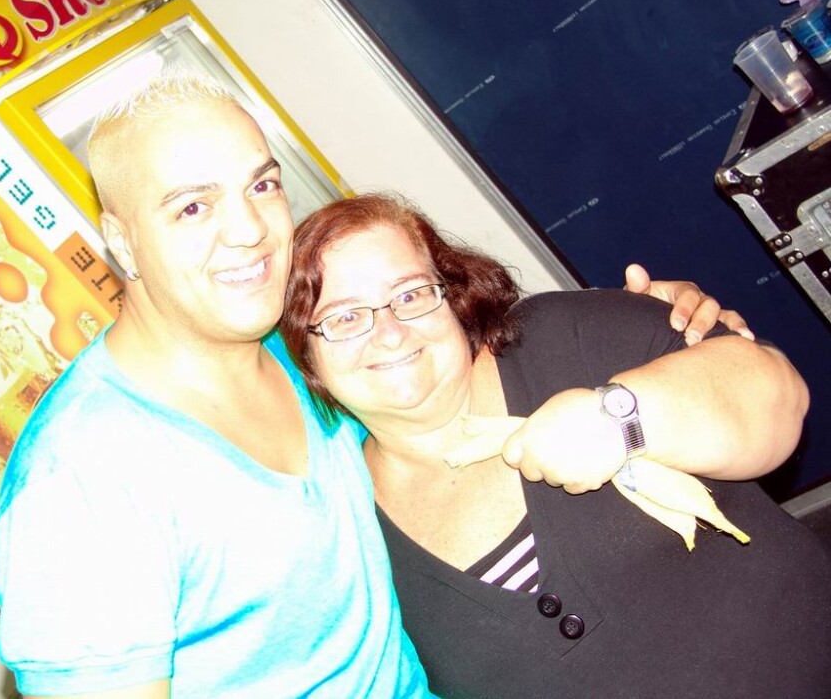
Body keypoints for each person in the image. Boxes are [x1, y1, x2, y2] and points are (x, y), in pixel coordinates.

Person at [0, 74, 747, 698]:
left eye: (262, 185)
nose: (248, 231)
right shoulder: (80, 483)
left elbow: (455, 365)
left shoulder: (300, 347)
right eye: (192, 207)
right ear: (121, 242)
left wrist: (656, 329)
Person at [281, 192, 831, 699]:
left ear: (453, 295)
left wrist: (624, 417)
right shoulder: (349, 536)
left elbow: (778, 396)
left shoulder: (561, 336)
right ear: (308, 357)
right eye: (344, 317)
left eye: (410, 294)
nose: (390, 332)